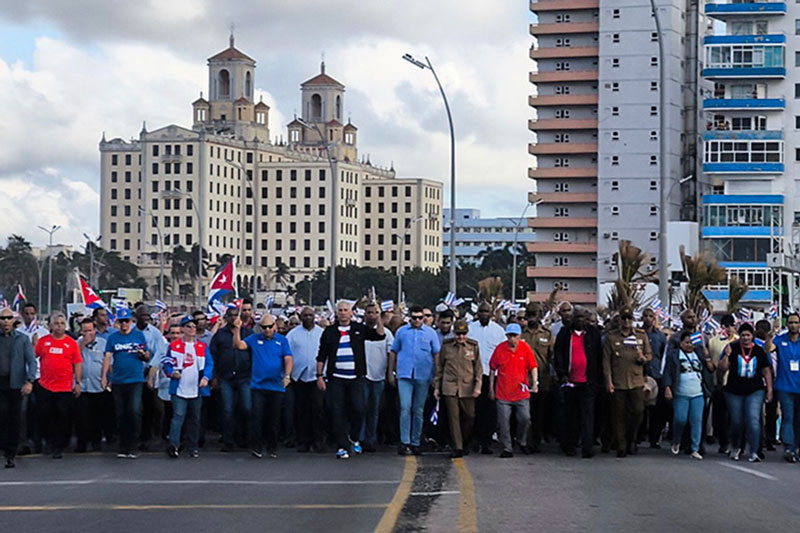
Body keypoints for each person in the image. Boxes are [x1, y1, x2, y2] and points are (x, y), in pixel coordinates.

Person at [317, 300, 385, 459]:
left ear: (351, 312)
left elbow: (379, 335)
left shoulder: (359, 329)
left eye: (345, 310)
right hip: (336, 378)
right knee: (337, 411)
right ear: (336, 312)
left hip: (356, 378)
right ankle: (342, 445)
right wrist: (319, 376)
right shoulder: (329, 331)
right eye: (340, 310)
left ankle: (354, 438)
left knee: (359, 408)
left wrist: (379, 316)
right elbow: (322, 355)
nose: (342, 313)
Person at [233, 313, 292, 459]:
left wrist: (287, 375)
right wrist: (236, 330)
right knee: (257, 417)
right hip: (258, 386)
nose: (267, 330)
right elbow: (239, 345)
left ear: (275, 326)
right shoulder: (254, 338)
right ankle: (257, 446)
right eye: (264, 327)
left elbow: (288, 358)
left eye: (270, 327)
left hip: (276, 385)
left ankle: (272, 447)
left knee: (274, 419)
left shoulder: (282, 340)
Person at [389, 305, 441, 456]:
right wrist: (391, 372)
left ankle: (415, 441)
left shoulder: (430, 333)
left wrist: (437, 376)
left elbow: (436, 354)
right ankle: (404, 441)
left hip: (423, 375)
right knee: (405, 408)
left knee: (418, 410)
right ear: (409, 318)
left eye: (420, 317)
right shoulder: (402, 332)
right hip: (405, 374)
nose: (417, 320)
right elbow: (393, 352)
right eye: (414, 318)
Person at [603, 306, 653, 458]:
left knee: (638, 412)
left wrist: (643, 359)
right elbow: (606, 361)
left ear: (633, 320)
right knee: (619, 415)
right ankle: (622, 444)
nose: (626, 321)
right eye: (623, 319)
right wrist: (608, 381)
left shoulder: (640, 336)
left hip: (636, 381)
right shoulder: (611, 337)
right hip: (618, 382)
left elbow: (649, 355)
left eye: (629, 318)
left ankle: (632, 439)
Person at [720, 323, 773, 463]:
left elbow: (766, 370)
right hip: (734, 390)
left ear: (752, 336)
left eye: (748, 335)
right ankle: (736, 447)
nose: (745, 338)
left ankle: (755, 451)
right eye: (743, 335)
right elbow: (723, 368)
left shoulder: (759, 351)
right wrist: (726, 356)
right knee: (736, 421)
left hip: (755, 390)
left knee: (753, 420)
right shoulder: (732, 348)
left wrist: (769, 389)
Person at [554, 307, 603, 458]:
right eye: (577, 317)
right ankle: (570, 446)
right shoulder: (564, 333)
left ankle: (587, 448)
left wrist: (597, 380)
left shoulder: (594, 334)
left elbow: (599, 357)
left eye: (583, 317)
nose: (580, 320)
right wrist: (562, 374)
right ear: (573, 319)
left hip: (588, 382)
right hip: (570, 381)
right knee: (571, 415)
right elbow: (558, 354)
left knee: (587, 415)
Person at [102, 307, 150, 458]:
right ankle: (123, 445)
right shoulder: (113, 338)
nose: (124, 325)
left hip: (135, 379)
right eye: (121, 322)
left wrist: (143, 355)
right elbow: (108, 357)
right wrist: (104, 376)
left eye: (126, 321)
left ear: (131, 322)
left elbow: (147, 356)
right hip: (118, 380)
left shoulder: (139, 336)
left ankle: (133, 444)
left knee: (134, 411)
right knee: (121, 413)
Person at [162, 316, 213, 458]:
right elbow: (166, 363)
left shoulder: (202, 347)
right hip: (179, 388)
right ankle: (173, 445)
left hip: (196, 388)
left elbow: (209, 364)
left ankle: (193, 446)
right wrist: (172, 373)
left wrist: (206, 377)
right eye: (189, 326)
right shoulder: (174, 346)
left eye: (194, 327)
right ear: (183, 329)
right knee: (178, 416)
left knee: (195, 418)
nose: (192, 329)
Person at [35, 312, 82, 459]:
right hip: (45, 386)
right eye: (56, 323)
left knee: (63, 416)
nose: (59, 326)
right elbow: (32, 357)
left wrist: (78, 383)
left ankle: (59, 445)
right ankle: (48, 441)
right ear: (50, 325)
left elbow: (78, 363)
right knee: (45, 415)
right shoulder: (43, 342)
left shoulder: (71, 343)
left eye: (62, 323)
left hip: (64, 387)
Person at [663, 331, 714, 460]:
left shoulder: (700, 354)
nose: (689, 345)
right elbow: (667, 372)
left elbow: (711, 369)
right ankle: (676, 439)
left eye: (691, 343)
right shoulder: (674, 355)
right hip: (681, 393)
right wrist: (667, 387)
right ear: (680, 343)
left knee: (697, 421)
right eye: (686, 342)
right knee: (680, 419)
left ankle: (695, 448)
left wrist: (707, 357)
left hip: (698, 393)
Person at [489, 323, 537, 458]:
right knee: (504, 422)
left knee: (525, 418)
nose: (511, 339)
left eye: (514, 336)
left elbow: (533, 366)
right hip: (503, 392)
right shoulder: (500, 349)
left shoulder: (525, 348)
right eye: (509, 336)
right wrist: (491, 389)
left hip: (521, 391)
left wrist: (535, 383)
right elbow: (493, 369)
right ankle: (507, 447)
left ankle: (521, 441)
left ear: (520, 336)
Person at [434, 320, 481, 458]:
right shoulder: (446, 346)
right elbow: (440, 368)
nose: (461, 337)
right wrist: (437, 387)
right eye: (458, 334)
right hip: (450, 386)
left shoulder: (473, 346)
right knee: (453, 417)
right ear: (454, 333)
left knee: (469, 416)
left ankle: (464, 441)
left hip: (467, 387)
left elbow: (478, 369)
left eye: (464, 334)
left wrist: (478, 387)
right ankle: (457, 447)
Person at [209, 305, 253, 451]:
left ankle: (244, 438)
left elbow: (253, 355)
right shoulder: (220, 335)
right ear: (226, 317)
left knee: (246, 407)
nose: (234, 318)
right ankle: (228, 441)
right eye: (231, 315)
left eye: (236, 315)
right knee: (228, 410)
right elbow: (213, 356)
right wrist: (214, 377)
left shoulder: (248, 333)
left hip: (244, 376)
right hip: (226, 377)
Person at [468, 302, 506, 454]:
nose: (484, 314)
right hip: (473, 376)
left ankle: (487, 442)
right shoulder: (470, 328)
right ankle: (474, 439)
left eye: (487, 311)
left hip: (492, 377)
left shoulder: (498, 331)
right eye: (481, 311)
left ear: (491, 314)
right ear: (477, 313)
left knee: (490, 411)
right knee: (475, 409)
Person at [0, 307, 36, 468]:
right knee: (2, 416)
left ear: (14, 320)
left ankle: (11, 453)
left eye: (8, 318)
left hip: (16, 383)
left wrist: (29, 381)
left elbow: (32, 362)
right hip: (1, 382)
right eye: (2, 318)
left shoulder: (22, 339)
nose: (6, 321)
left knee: (14, 418)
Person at [286, 307, 325, 453]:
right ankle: (303, 442)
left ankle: (318, 441)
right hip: (299, 378)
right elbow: (287, 354)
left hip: (317, 377)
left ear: (314, 317)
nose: (308, 318)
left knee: (318, 411)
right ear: (301, 317)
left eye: (310, 315)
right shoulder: (293, 334)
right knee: (301, 412)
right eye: (305, 315)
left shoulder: (321, 333)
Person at [766, 312, 800, 462]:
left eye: (796, 322)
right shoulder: (780, 340)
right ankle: (789, 448)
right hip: (785, 387)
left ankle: (797, 447)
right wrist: (769, 336)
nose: (793, 325)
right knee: (788, 418)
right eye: (791, 322)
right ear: (787, 325)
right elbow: (768, 349)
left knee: (798, 420)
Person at [75, 319, 112, 452]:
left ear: (94, 330)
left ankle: (96, 442)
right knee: (82, 417)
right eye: (85, 331)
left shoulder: (103, 344)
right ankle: (82, 443)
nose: (87, 334)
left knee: (97, 416)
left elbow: (109, 364)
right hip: (83, 385)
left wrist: (109, 379)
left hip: (98, 385)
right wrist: (82, 344)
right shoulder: (76, 344)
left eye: (90, 330)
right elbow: (73, 359)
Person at [521, 304, 554, 453]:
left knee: (539, 413)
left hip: (543, 379)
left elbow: (552, 357)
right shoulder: (521, 334)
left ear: (540, 315)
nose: (532, 317)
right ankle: (526, 442)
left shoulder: (547, 334)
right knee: (526, 413)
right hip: (523, 380)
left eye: (534, 314)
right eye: (529, 314)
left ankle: (536, 440)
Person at [135, 304, 168, 450]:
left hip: (149, 376)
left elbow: (160, 353)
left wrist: (150, 369)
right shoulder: (130, 331)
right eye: (143, 316)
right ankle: (136, 436)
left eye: (148, 316)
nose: (146, 319)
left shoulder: (154, 333)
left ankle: (148, 437)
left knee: (150, 408)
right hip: (133, 376)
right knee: (134, 409)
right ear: (136, 317)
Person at [362, 303, 393, 453]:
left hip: (379, 377)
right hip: (362, 376)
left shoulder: (386, 333)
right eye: (369, 312)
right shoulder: (359, 331)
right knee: (360, 408)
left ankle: (370, 439)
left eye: (375, 313)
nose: (372, 315)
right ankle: (359, 439)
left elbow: (390, 354)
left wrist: (389, 373)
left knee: (374, 409)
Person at [708, 314, 737, 454]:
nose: (729, 328)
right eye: (726, 326)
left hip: (735, 383)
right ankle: (723, 442)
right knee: (720, 416)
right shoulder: (714, 341)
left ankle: (734, 442)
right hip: (718, 383)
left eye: (731, 325)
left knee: (734, 415)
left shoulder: (739, 341)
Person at [641, 308, 668, 449]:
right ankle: (638, 436)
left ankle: (654, 438)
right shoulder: (638, 334)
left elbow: (664, 356)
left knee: (656, 411)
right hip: (640, 375)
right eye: (645, 316)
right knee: (639, 409)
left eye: (650, 316)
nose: (647, 318)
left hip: (657, 375)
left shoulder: (661, 337)